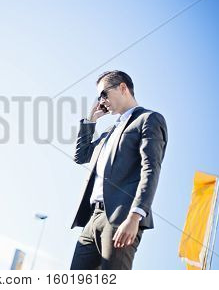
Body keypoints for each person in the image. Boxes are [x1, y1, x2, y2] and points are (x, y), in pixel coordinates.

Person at [70, 70, 168, 270]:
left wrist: (135, 216)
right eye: (99, 97)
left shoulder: (148, 119)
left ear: (123, 88)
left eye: (104, 94)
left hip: (122, 217)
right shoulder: (108, 132)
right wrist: (91, 120)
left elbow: (150, 169)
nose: (101, 101)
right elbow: (81, 156)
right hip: (93, 219)